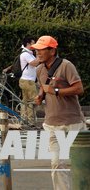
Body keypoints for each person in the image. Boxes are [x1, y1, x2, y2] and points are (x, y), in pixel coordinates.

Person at [32, 35, 86, 190]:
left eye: (41, 50)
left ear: (52, 50)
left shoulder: (66, 66)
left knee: (79, 162)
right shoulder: (39, 69)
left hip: (73, 122)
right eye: (37, 50)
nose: (38, 53)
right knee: (57, 163)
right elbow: (44, 85)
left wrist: (56, 91)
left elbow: (79, 88)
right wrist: (40, 95)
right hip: (52, 124)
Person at [17, 36, 39, 124]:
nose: (35, 45)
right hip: (28, 81)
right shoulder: (25, 54)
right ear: (28, 44)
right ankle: (31, 121)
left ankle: (23, 120)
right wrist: (39, 55)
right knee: (33, 101)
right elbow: (34, 63)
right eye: (33, 43)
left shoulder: (29, 53)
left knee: (25, 101)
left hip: (27, 80)